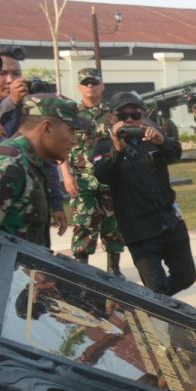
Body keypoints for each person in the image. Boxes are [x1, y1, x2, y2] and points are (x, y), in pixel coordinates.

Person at [93, 92, 196, 296]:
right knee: (157, 289)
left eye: (135, 114)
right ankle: (160, 312)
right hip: (140, 231)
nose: (130, 119)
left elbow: (174, 153)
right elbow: (102, 174)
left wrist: (162, 141)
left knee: (186, 276)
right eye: (123, 115)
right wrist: (117, 150)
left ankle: (155, 306)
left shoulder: (152, 137)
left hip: (170, 223)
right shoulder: (104, 144)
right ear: (112, 117)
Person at [60, 68, 125, 277]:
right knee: (83, 223)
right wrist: (66, 175)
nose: (90, 87)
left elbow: (122, 145)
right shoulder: (70, 114)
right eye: (86, 83)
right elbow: (61, 146)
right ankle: (82, 269)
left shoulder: (113, 114)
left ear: (102, 86)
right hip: (81, 180)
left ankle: (114, 269)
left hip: (109, 179)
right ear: (79, 87)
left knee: (112, 223)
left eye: (94, 82)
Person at [0, 94, 86, 246]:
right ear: (46, 128)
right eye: (71, 131)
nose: (74, 142)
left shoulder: (31, 163)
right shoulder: (10, 164)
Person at [0, 45, 68, 236]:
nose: (10, 80)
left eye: (16, 73)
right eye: (3, 73)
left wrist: (56, 203)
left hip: (28, 212)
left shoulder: (27, 109)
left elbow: (46, 159)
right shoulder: (10, 105)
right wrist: (10, 103)